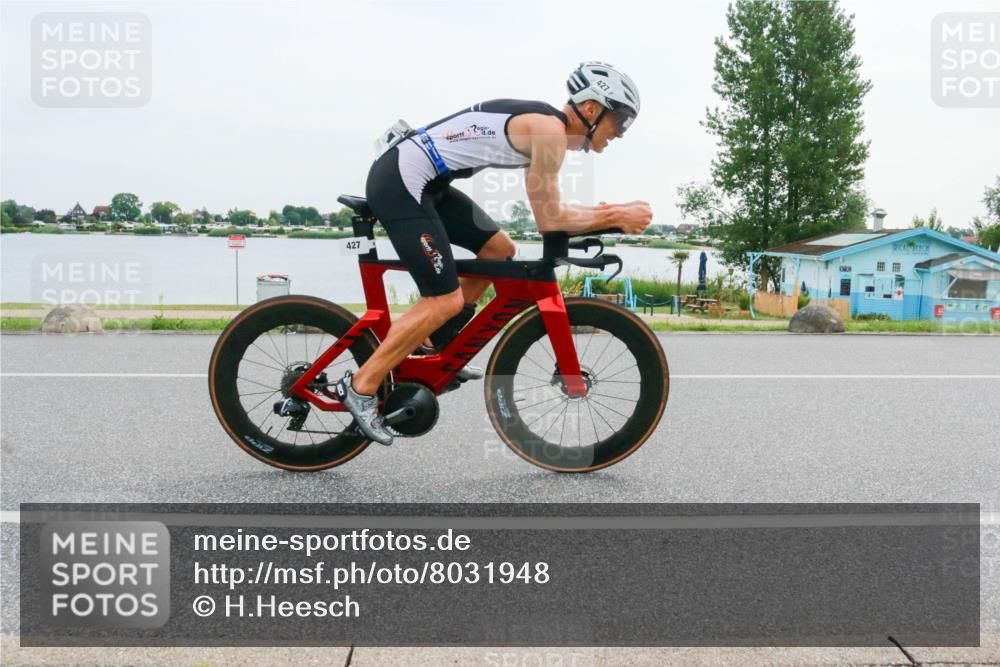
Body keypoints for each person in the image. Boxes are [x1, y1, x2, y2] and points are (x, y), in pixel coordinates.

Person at [333, 61, 653, 445]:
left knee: (499, 251)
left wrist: (607, 218)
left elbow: (553, 215)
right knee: (444, 300)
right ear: (590, 109)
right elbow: (550, 219)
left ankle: (432, 347)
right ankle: (361, 386)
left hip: (426, 181)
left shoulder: (549, 130)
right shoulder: (549, 132)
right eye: (619, 120)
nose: (619, 133)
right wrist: (616, 214)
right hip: (403, 180)